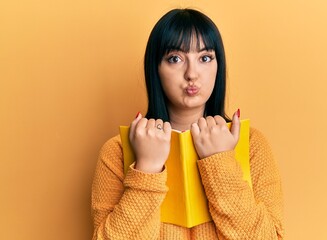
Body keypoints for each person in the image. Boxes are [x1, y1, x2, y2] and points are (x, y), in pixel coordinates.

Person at [91, 8, 284, 239]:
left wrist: (221, 162)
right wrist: (146, 168)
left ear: (217, 66)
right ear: (156, 69)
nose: (192, 74)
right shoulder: (118, 151)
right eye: (175, 59)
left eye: (205, 58)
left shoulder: (251, 143)